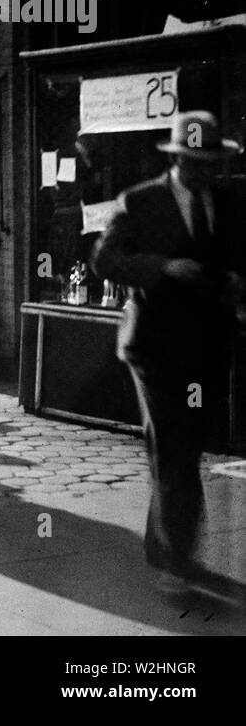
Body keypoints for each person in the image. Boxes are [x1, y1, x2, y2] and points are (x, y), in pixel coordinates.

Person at [92, 111, 246, 598]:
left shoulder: (228, 201)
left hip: (205, 350)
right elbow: (105, 261)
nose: (204, 172)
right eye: (194, 162)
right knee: (173, 449)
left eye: (211, 163)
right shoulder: (140, 202)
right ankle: (178, 560)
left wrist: (238, 284)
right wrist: (163, 267)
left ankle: (165, 548)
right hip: (154, 351)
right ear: (176, 158)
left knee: (185, 447)